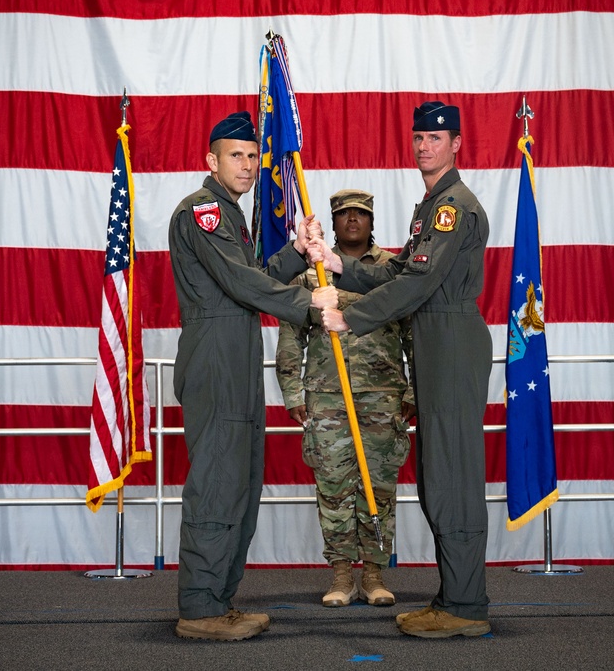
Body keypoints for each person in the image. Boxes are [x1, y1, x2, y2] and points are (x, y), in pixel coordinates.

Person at [316, 101, 493, 638]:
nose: (423, 146)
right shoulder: (431, 205)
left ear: (456, 144)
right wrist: (342, 263)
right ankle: (456, 595)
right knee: (441, 474)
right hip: (435, 342)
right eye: (418, 137)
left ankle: (465, 606)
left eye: (435, 138)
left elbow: (418, 285)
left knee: (454, 477)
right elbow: (401, 268)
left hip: (451, 340)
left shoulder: (452, 206)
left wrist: (350, 318)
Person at [168, 111, 337, 641]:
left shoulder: (232, 214)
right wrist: (310, 303)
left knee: (241, 482)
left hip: (236, 352)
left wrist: (298, 252)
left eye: (250, 155)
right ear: (210, 161)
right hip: (215, 356)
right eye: (234, 155)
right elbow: (242, 283)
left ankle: (219, 599)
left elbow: (254, 279)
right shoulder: (203, 213)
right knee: (218, 483)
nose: (246, 164)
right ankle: (199, 608)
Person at [275, 189, 416, 608]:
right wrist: (292, 390)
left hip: (382, 398)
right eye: (344, 215)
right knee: (334, 487)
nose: (352, 221)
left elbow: (413, 333)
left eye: (361, 215)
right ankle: (341, 574)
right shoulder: (312, 270)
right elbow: (289, 334)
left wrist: (414, 389)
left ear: (372, 222)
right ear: (333, 224)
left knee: (379, 487)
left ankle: (373, 573)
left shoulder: (393, 271)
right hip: (326, 397)